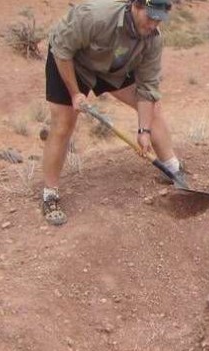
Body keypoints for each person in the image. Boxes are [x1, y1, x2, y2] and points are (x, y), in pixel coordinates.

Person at [42, 0, 180, 225]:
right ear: (136, 5)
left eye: (159, 18)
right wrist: (75, 93)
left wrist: (143, 130)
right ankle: (50, 194)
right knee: (64, 124)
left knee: (153, 107)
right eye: (150, 16)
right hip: (70, 61)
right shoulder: (94, 17)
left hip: (112, 67)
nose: (154, 23)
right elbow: (62, 50)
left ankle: (173, 170)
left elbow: (147, 88)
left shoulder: (153, 39)